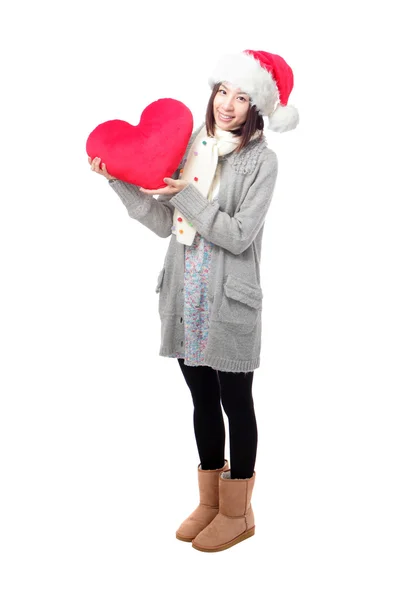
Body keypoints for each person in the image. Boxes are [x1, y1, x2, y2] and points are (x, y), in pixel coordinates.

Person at [88, 49, 299, 552]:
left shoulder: (261, 163)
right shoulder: (194, 147)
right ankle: (209, 500)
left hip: (230, 301)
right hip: (188, 295)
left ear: (257, 107)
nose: (227, 104)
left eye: (242, 96)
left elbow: (240, 234)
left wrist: (185, 195)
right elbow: (166, 222)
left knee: (235, 401)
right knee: (201, 399)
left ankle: (238, 511)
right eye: (223, 91)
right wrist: (118, 180)